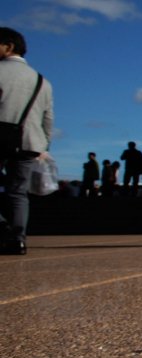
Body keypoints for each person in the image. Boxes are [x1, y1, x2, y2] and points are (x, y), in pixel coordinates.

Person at [0, 27, 53, 255]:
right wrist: (44, 146)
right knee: (18, 192)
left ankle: (3, 228)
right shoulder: (42, 81)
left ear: (8, 47)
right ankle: (18, 239)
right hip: (30, 142)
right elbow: (48, 118)